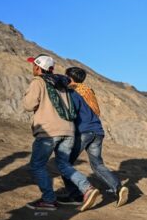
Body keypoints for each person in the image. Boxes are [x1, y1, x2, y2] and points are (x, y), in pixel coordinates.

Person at [22, 54, 101, 211]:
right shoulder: (62, 84)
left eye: (34, 65)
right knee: (63, 163)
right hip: (68, 131)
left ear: (38, 67)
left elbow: (29, 105)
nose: (33, 68)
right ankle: (87, 189)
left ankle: (49, 200)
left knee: (37, 165)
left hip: (49, 131)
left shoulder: (38, 82)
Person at [56, 67, 129, 209]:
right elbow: (95, 111)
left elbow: (71, 114)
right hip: (97, 131)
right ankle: (118, 188)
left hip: (84, 131)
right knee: (97, 165)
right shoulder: (88, 91)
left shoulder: (73, 91)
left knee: (65, 163)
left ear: (69, 78)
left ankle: (77, 193)